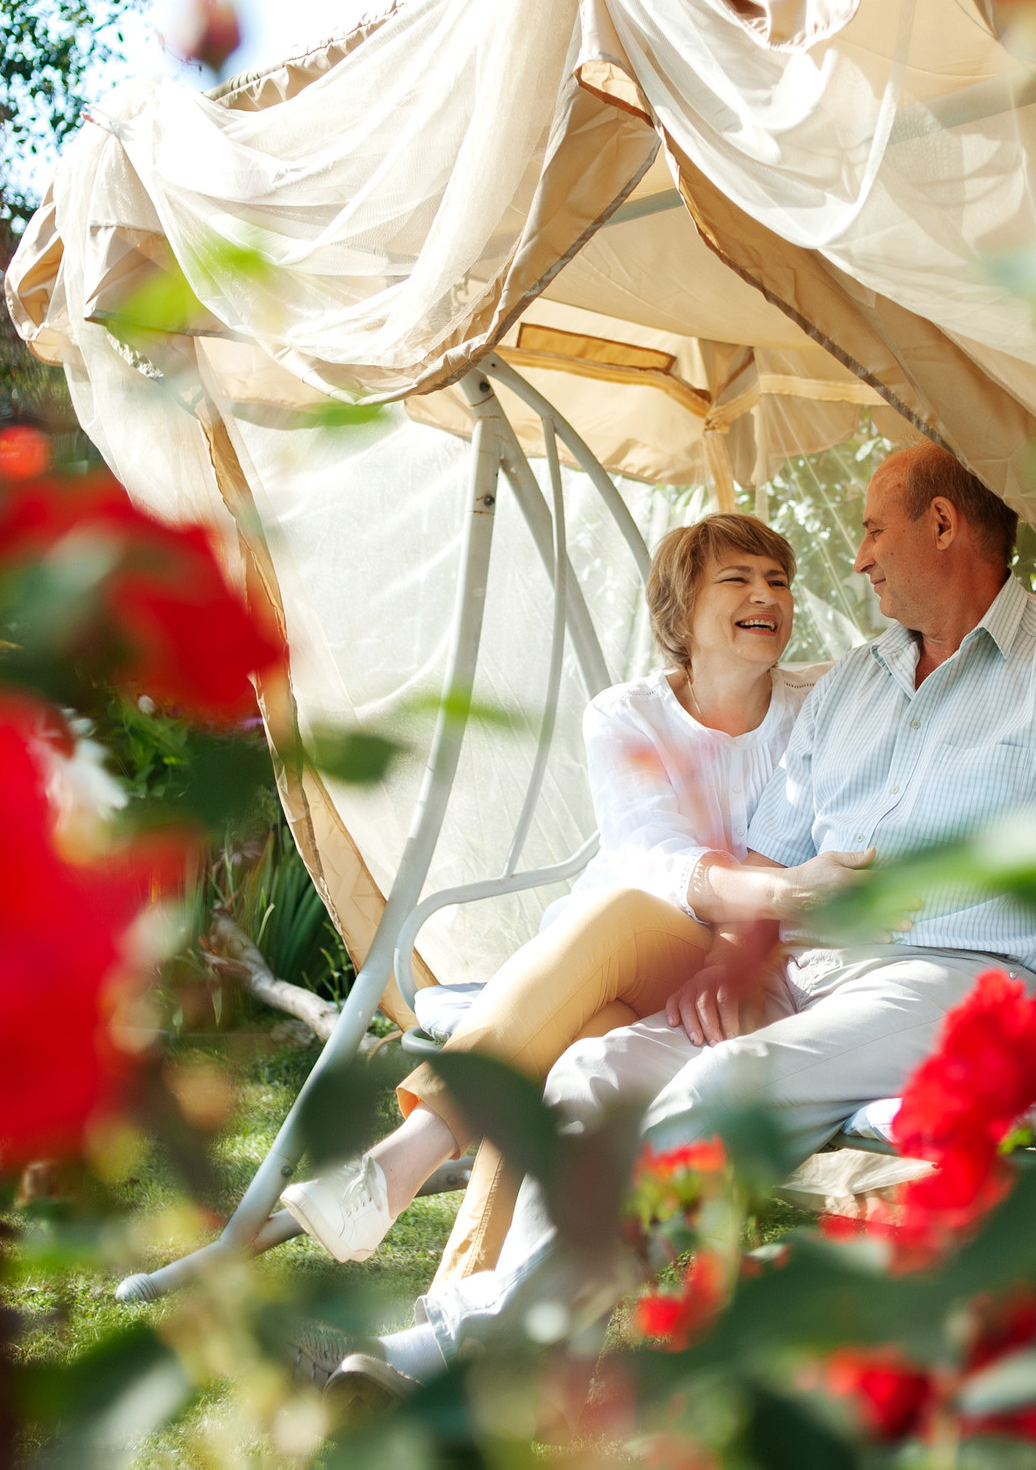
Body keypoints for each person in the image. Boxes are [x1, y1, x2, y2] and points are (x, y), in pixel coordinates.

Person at [335, 444, 1036, 1396]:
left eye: (872, 528)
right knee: (596, 1068)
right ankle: (538, 1347)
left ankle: (469, 1346)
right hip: (807, 968)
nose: (857, 559)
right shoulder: (855, 682)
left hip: (953, 973)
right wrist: (740, 955)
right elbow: (770, 855)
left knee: (726, 1082)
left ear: (943, 524)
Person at [278, 513, 865, 1272]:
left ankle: (400, 1171)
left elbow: (915, 664)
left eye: (779, 580)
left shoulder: (821, 703)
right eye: (739, 578)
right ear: (683, 608)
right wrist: (776, 889)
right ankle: (464, 1296)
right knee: (568, 1050)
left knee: (610, 922)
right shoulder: (626, 714)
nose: (769, 594)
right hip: (626, 957)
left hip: (739, 968)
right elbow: (653, 857)